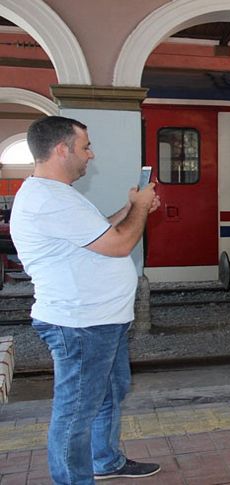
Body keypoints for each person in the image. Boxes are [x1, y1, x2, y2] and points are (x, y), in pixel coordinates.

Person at [10, 116, 162, 483]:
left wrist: (131, 207)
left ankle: (105, 461)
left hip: (100, 321)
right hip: (81, 325)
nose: (91, 155)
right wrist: (140, 209)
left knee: (109, 394)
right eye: (85, 147)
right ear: (62, 149)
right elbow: (120, 243)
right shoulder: (47, 198)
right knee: (76, 412)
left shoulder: (56, 194)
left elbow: (101, 232)